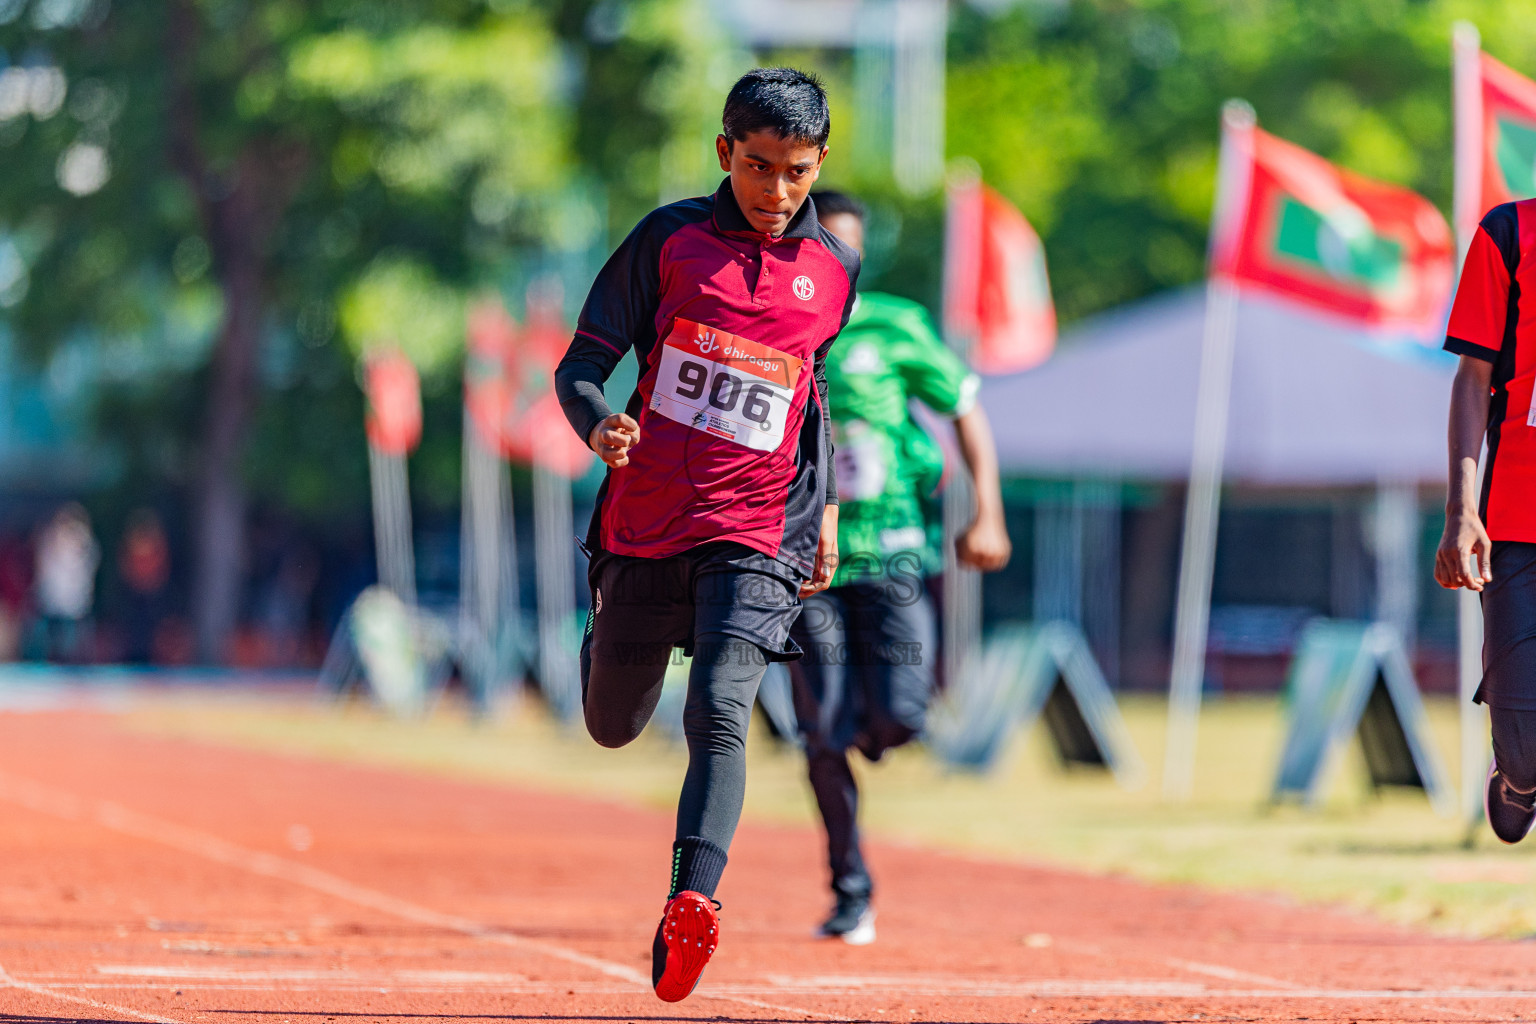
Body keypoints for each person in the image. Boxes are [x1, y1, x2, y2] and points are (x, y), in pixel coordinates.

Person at [554, 67, 857, 1002]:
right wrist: (600, 423)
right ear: (725, 152)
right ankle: (604, 639)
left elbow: (814, 396)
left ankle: (693, 902)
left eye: (798, 173)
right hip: (646, 522)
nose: (777, 193)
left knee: (720, 710)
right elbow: (583, 364)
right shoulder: (669, 241)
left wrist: (831, 514)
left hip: (759, 527)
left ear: (818, 166)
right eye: (759, 167)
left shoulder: (832, 277)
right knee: (611, 727)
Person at [788, 191, 1012, 944]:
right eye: (821, 245)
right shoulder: (773, 323)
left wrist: (988, 511)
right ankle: (851, 888)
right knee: (822, 733)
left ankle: (872, 725)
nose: (836, 262)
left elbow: (965, 405)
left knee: (903, 714)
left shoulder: (896, 324)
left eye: (847, 248)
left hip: (891, 555)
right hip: (805, 565)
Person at [1436, 198, 1536, 844]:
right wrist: (1462, 509)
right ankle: (1517, 780)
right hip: (1514, 523)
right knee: (1528, 748)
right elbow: (1473, 379)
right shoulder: (1508, 233)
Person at [34, 503, 100, 663]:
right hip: (55, 603)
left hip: (75, 604)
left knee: (74, 645)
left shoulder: (84, 542)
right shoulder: (51, 539)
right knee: (53, 643)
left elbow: (86, 566)